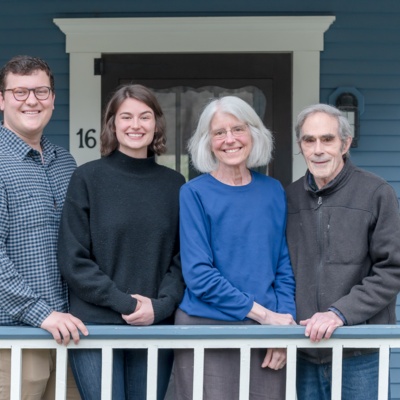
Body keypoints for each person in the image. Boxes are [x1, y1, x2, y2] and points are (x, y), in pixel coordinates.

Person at [57, 84, 186, 400]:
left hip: (154, 325)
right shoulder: (87, 178)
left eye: (144, 116)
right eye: (126, 116)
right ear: (112, 124)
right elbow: (73, 259)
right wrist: (126, 303)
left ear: (156, 122)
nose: (135, 125)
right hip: (95, 326)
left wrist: (160, 307)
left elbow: (183, 258)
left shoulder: (175, 185)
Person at [174, 96, 296, 400]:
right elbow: (199, 276)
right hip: (207, 327)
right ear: (208, 141)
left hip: (267, 332)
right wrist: (266, 317)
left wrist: (284, 327)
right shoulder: (194, 193)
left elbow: (282, 267)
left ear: (253, 133)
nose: (230, 140)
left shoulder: (273, 191)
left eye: (238, 129)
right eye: (219, 133)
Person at [286, 103, 400, 400]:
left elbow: (392, 269)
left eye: (327, 139)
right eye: (309, 140)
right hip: (304, 351)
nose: (318, 149)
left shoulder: (376, 192)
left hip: (360, 352)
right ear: (301, 146)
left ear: (345, 143)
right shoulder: (289, 198)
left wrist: (340, 313)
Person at [0, 55, 88, 400]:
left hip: (70, 333)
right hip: (12, 337)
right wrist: (41, 313)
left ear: (53, 99)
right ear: (2, 99)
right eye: (20, 92)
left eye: (41, 91)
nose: (32, 100)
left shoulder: (65, 162)